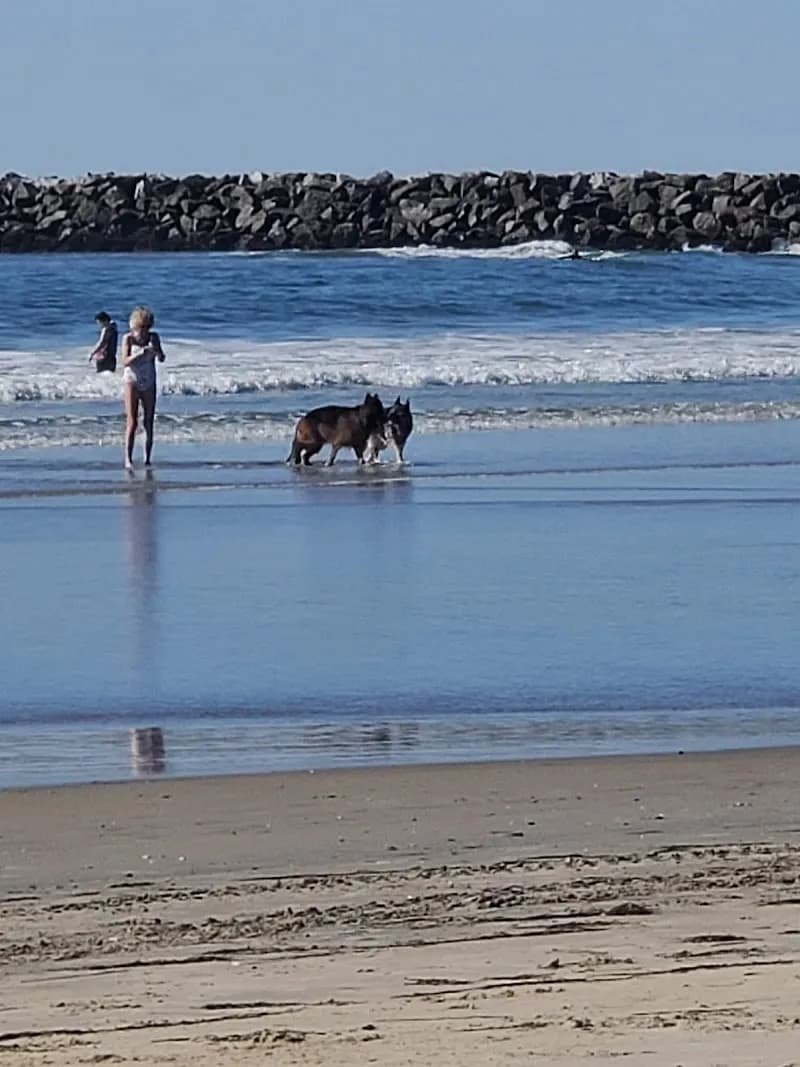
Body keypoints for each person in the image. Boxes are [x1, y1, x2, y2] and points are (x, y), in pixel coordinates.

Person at [121, 305, 166, 470]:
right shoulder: (128, 339)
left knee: (148, 421)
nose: (143, 332)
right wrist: (139, 353)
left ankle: (147, 457)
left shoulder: (153, 337)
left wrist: (156, 352)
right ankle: (128, 458)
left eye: (146, 328)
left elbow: (161, 358)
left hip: (149, 380)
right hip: (132, 379)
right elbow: (124, 361)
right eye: (141, 328)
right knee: (132, 421)